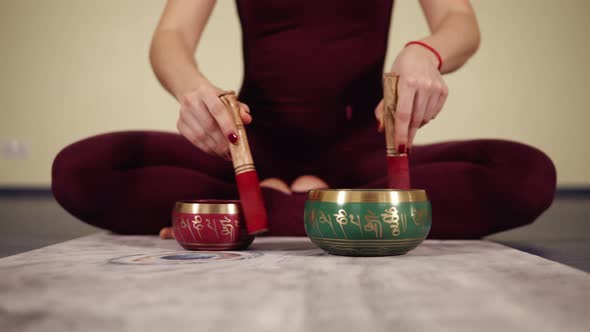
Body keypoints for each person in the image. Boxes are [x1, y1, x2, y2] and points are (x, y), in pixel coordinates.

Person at [51, 0, 556, 239]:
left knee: (525, 177)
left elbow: (459, 23)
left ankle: (254, 216)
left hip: (365, 155)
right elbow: (172, 35)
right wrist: (191, 90)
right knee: (80, 171)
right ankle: (333, 216)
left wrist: (426, 51)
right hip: (250, 149)